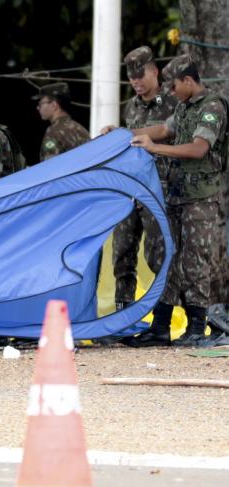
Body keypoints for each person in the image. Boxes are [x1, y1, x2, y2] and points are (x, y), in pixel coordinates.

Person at [128, 54, 227, 347]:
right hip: (177, 195)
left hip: (201, 198)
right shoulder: (184, 106)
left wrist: (155, 148)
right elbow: (164, 129)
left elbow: (198, 149)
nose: (170, 92)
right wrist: (125, 134)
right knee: (166, 259)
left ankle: (197, 326)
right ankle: (161, 326)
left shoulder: (212, 107)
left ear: (188, 80)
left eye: (173, 86)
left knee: (196, 261)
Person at [109, 47, 178, 313]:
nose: (136, 81)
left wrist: (124, 133)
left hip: (160, 190)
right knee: (122, 252)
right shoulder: (131, 106)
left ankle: (165, 317)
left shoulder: (172, 101)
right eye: (131, 77)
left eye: (140, 75)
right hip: (131, 189)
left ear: (155, 72)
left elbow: (164, 131)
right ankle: (122, 312)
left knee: (158, 254)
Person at [34, 82, 90, 161]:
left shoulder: (54, 132)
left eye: (41, 103)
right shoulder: (79, 128)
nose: (38, 107)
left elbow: (50, 165)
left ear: (54, 105)